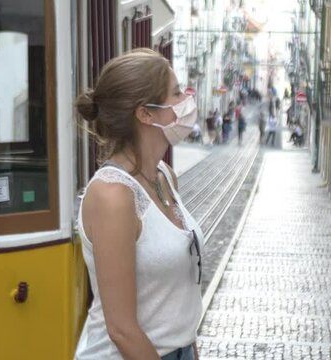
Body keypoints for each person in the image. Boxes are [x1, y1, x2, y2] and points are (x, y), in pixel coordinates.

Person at [75, 48, 204, 360]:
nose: (187, 99)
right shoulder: (113, 195)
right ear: (146, 113)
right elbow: (121, 330)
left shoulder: (163, 177)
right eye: (176, 94)